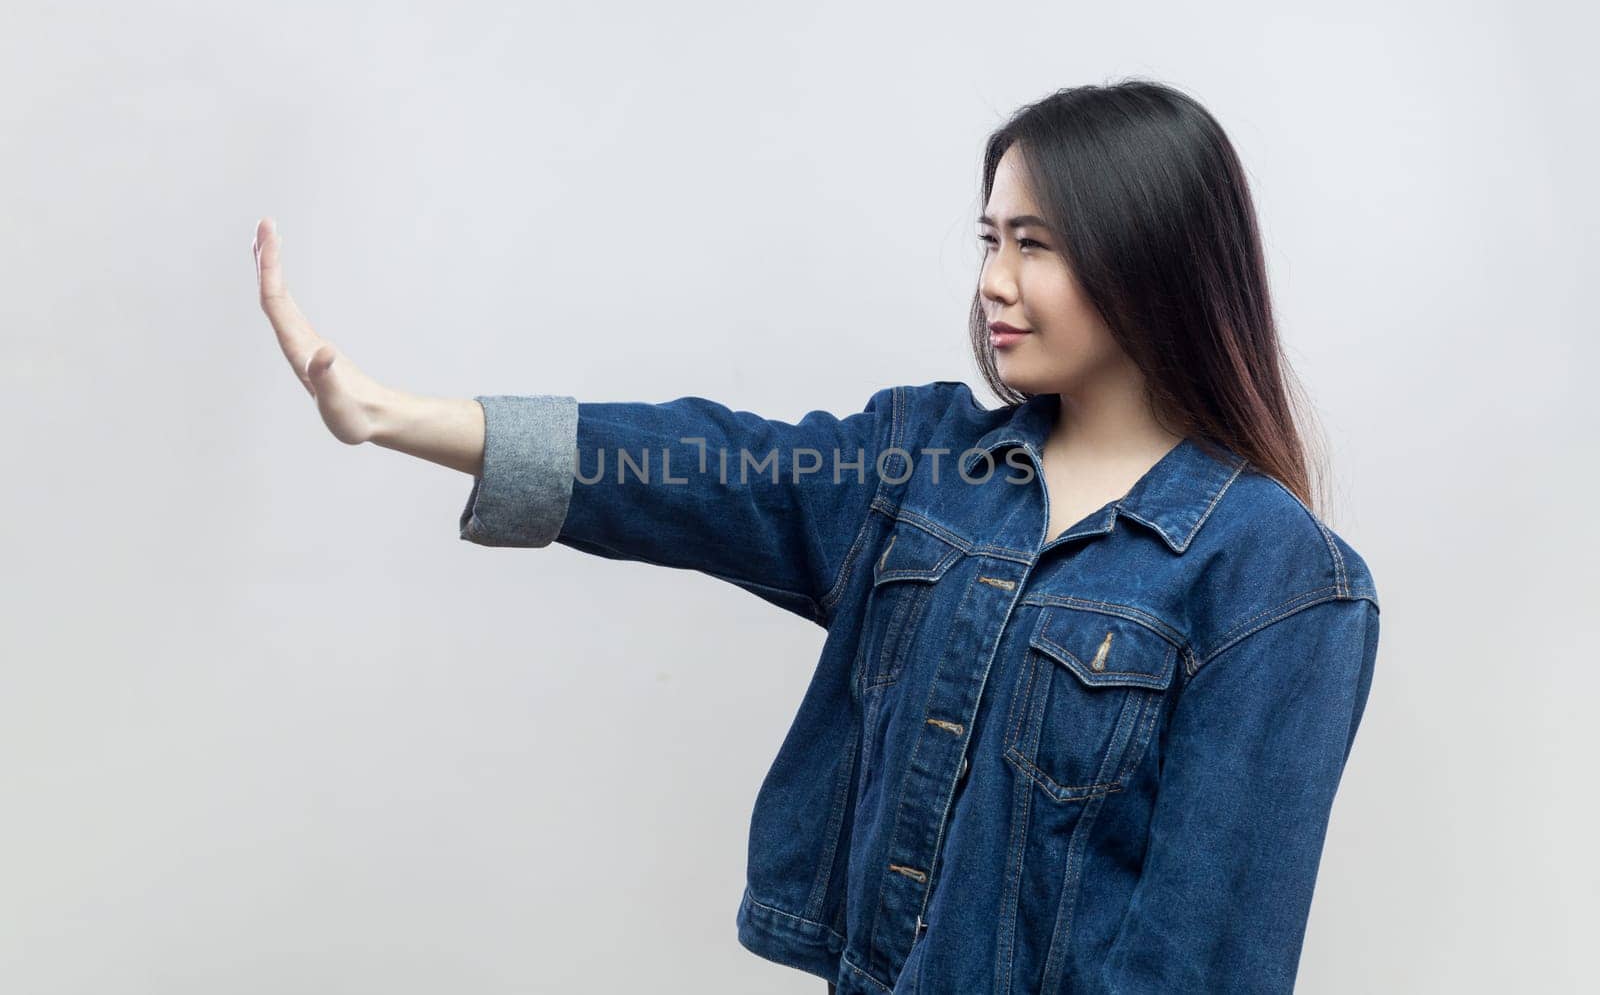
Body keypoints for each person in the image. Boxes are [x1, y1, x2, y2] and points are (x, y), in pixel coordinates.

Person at [255, 79, 1381, 994]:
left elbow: (1206, 960)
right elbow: (699, 466)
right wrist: (392, 415)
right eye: (990, 237)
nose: (993, 281)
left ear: (1146, 259)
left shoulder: (1280, 582)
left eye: (1034, 243)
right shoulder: (924, 465)